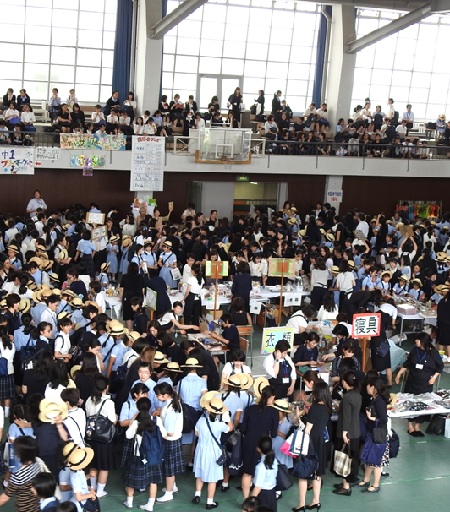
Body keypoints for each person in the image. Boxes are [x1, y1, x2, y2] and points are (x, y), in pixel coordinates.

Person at [395, 332, 443, 437]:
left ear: (423, 342)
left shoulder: (433, 352)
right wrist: (399, 374)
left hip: (425, 383)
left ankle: (417, 425)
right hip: (412, 381)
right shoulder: (414, 350)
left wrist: (434, 377)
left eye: (417, 340)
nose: (415, 341)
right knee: (410, 403)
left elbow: (440, 366)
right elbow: (407, 363)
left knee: (423, 403)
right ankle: (410, 426)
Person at [123, 397, 167, 511]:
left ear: (138, 408)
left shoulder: (136, 423)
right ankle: (150, 505)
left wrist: (132, 420)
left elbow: (128, 435)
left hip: (139, 456)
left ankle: (129, 502)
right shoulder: (156, 420)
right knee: (153, 481)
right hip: (153, 456)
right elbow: (164, 434)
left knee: (130, 480)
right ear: (150, 407)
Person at [293, 380, 331, 511]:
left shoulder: (315, 408)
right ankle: (316, 500)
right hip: (321, 443)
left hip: (310, 443)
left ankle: (301, 504)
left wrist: (298, 418)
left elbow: (307, 429)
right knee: (317, 473)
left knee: (303, 474)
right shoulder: (326, 408)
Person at [192, 397, 233, 509]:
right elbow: (231, 428)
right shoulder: (220, 425)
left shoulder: (201, 420)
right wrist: (227, 417)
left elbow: (196, 433)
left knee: (199, 473)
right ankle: (209, 502)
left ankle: (197, 495)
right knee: (212, 478)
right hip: (213, 451)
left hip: (201, 449)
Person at [240, 383, 278, 499]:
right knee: (262, 470)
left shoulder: (249, 409)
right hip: (264, 445)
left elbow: (243, 429)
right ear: (271, 397)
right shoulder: (273, 412)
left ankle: (246, 500)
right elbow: (274, 434)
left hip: (249, 442)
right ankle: (257, 498)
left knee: (247, 472)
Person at [84, 375, 117, 498]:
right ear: (106, 387)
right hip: (104, 439)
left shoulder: (89, 400)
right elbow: (113, 420)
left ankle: (92, 488)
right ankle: (100, 490)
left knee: (93, 464)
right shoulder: (108, 402)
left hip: (91, 437)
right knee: (104, 466)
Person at [153, 382, 184, 504]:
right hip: (174, 440)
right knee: (170, 466)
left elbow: (169, 432)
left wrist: (159, 423)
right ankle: (173, 486)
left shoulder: (171, 409)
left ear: (166, 395)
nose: (157, 397)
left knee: (169, 468)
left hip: (170, 440)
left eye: (158, 395)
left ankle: (169, 493)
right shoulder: (172, 405)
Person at [333, 370, 362, 496]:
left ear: (344, 382)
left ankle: (345, 486)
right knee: (352, 458)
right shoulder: (358, 395)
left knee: (344, 458)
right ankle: (347, 482)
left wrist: (344, 433)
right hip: (356, 431)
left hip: (347, 432)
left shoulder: (347, 397)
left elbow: (346, 417)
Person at [359, 377, 390, 493]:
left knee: (376, 461)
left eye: (368, 385)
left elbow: (383, 419)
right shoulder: (375, 399)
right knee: (368, 458)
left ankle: (376, 484)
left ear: (373, 387)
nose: (366, 387)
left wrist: (371, 418)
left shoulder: (380, 402)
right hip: (372, 432)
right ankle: (366, 480)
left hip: (379, 435)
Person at [0, 436, 41, 512]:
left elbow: (5, 497)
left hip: (25, 508)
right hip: (36, 504)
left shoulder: (18, 476)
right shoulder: (36, 463)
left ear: (20, 454)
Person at [252, 436, 278, 512]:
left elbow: (257, 488)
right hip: (272, 493)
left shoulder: (261, 466)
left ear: (259, 449)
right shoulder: (274, 459)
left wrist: (250, 503)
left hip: (263, 495)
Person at [119, 262, 145, 330]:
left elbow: (121, 289)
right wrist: (142, 299)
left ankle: (129, 331)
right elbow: (143, 289)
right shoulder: (140, 277)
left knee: (128, 316)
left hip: (127, 297)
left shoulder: (125, 276)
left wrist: (121, 298)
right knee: (138, 314)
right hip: (138, 297)